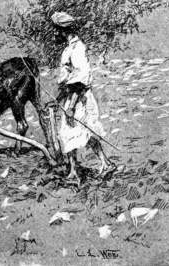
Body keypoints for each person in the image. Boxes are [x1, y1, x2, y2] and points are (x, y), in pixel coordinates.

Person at [51, 12, 116, 185]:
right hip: (72, 97)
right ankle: (104, 163)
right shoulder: (68, 48)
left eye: (56, 30)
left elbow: (80, 80)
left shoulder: (77, 48)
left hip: (80, 99)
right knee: (82, 133)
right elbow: (67, 79)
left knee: (70, 133)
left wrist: (71, 106)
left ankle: (75, 172)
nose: (54, 34)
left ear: (63, 30)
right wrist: (58, 99)